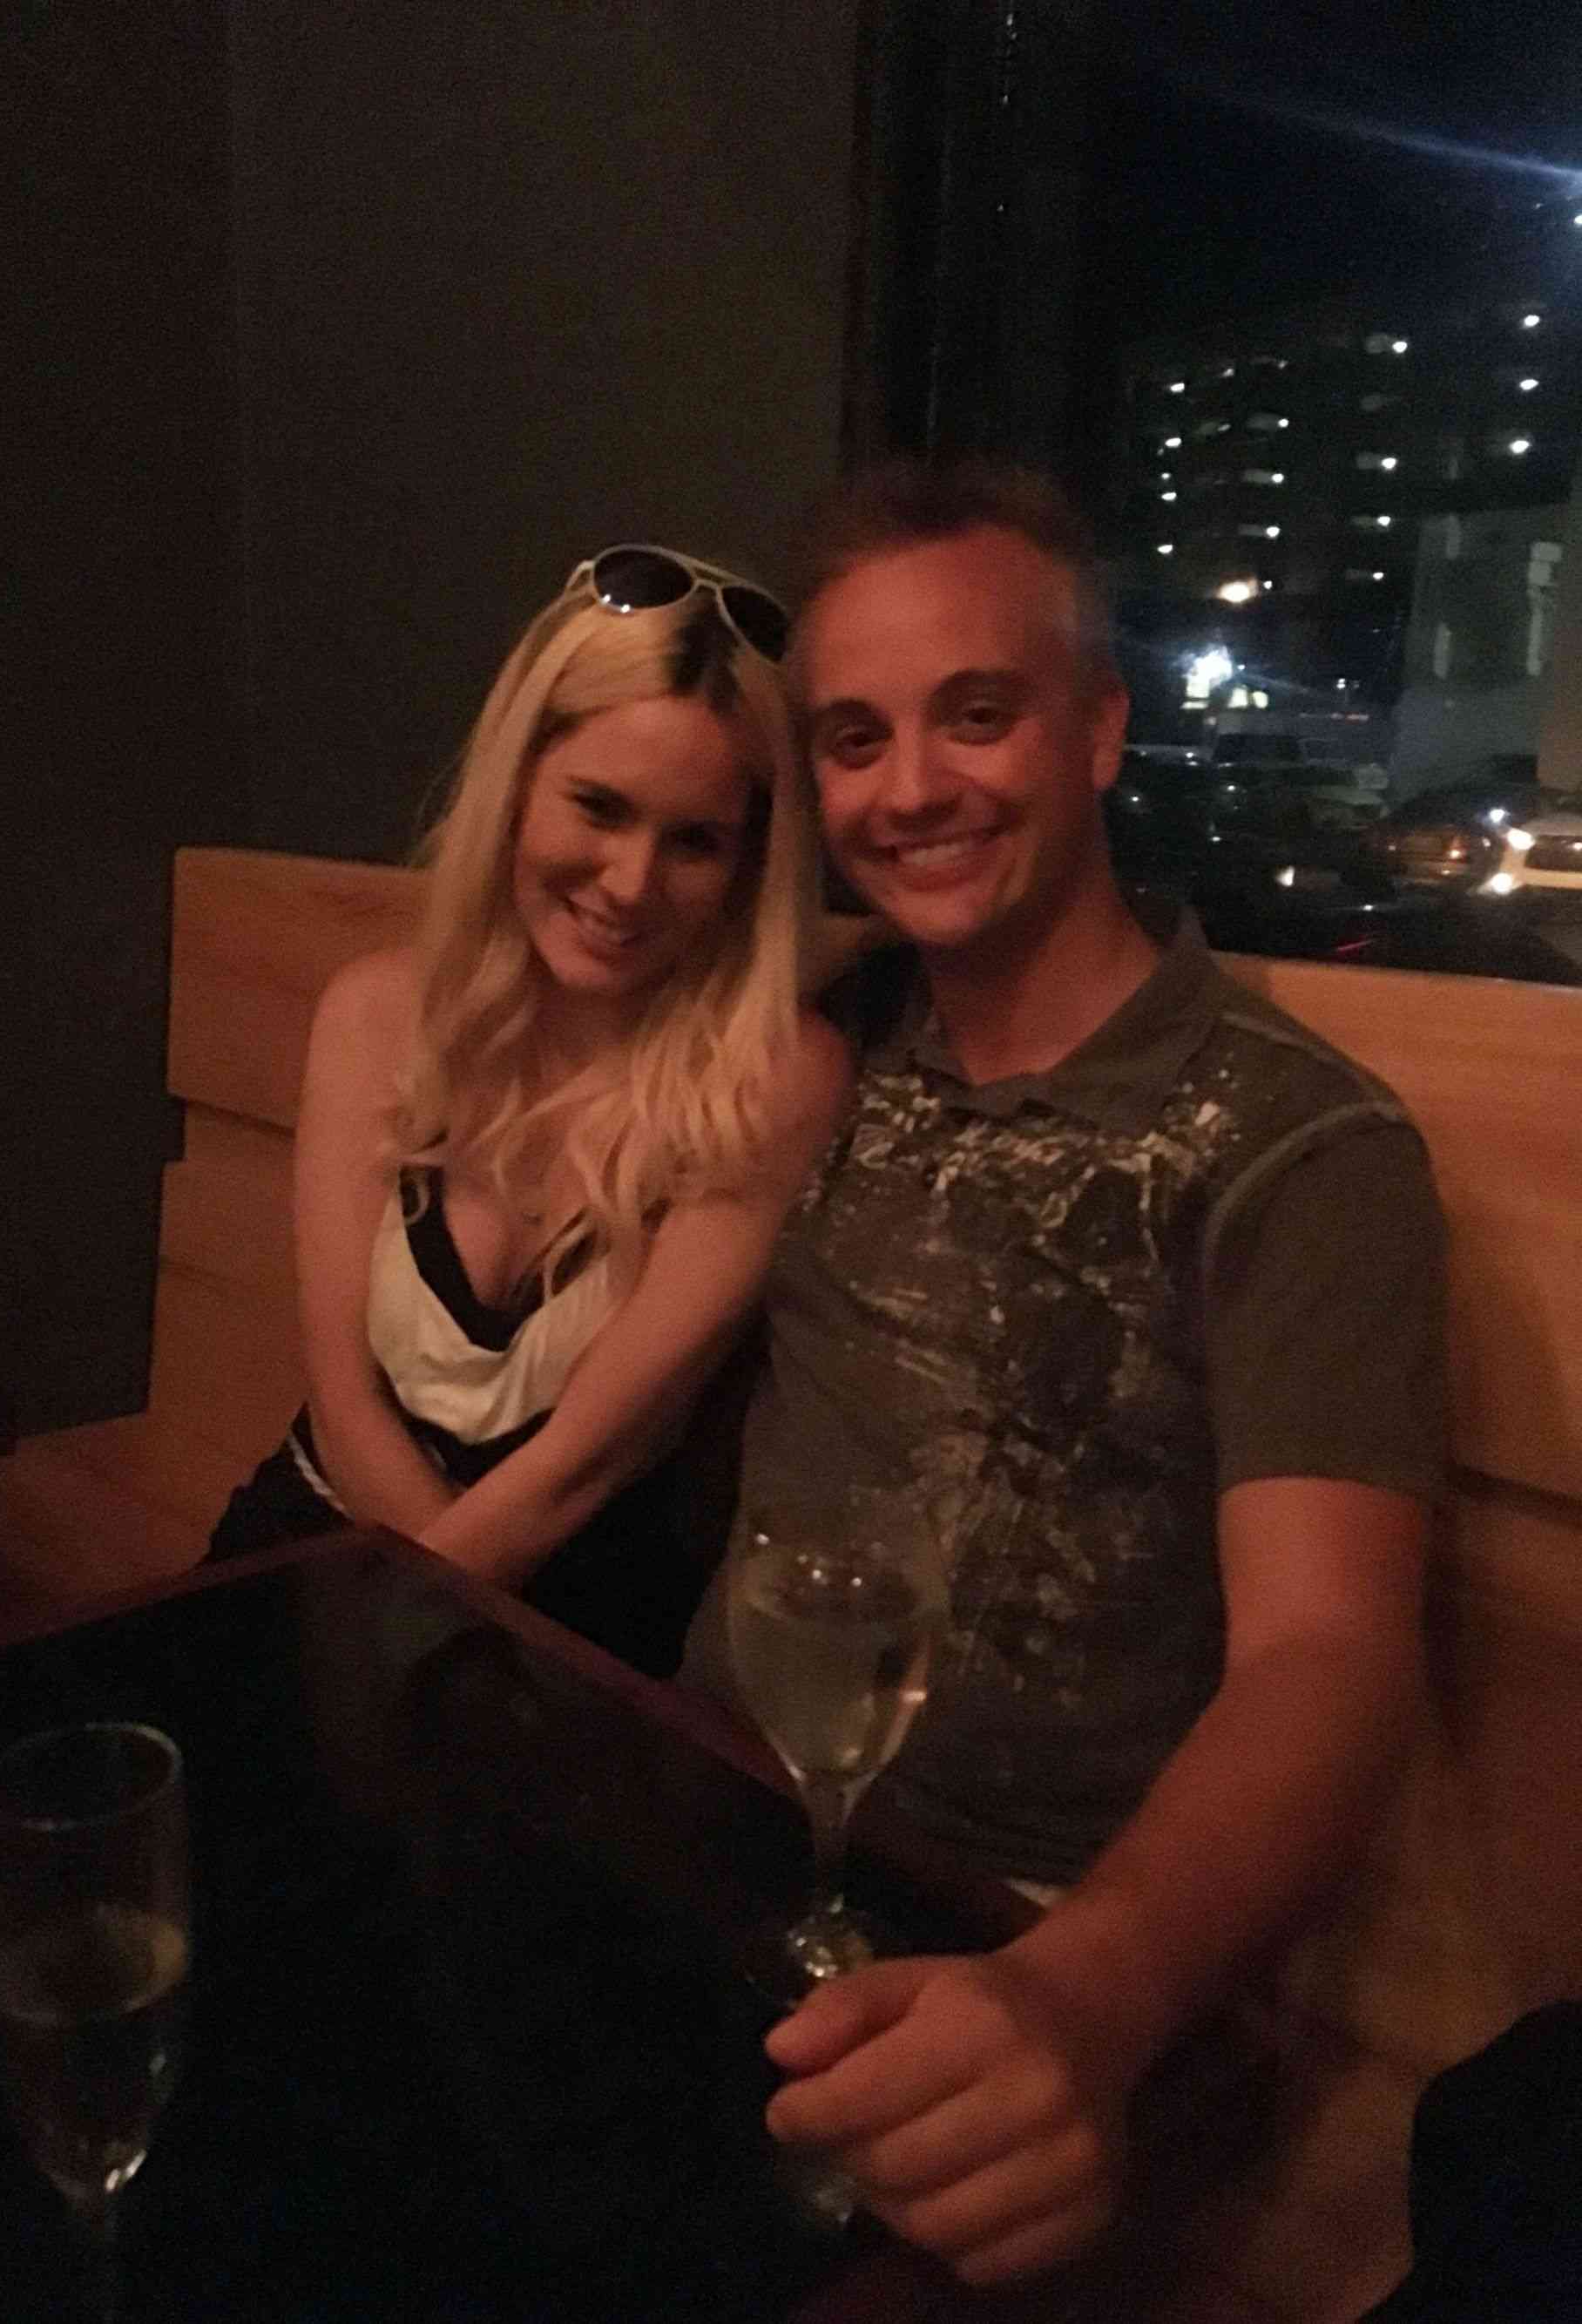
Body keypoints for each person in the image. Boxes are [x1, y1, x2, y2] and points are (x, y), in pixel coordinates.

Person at [678, 462, 1444, 2282]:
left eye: (977, 713)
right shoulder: (824, 1046)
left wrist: (1087, 1992)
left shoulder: (1297, 1146)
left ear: (1099, 728)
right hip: (701, 1830)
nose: (910, 789)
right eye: (854, 739)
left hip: (1013, 1934)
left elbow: (1329, 1656)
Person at [212, 545, 850, 1677]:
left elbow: (583, 1469)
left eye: (695, 841)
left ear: (751, 863)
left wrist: (395, 1646)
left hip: (563, 1627)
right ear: (515, 784)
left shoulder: (774, 1078)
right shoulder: (375, 1014)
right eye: (598, 808)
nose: (630, 883)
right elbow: (344, 1404)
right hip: (315, 1544)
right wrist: (365, 1638)